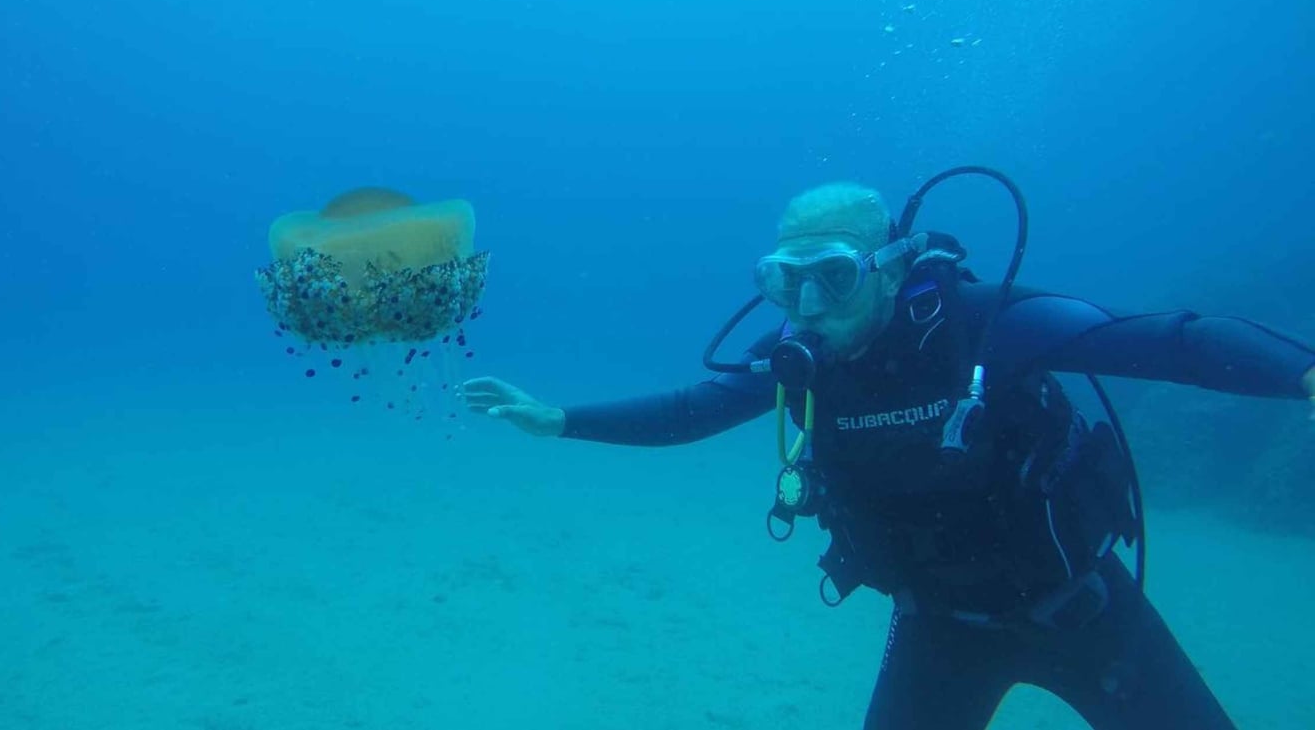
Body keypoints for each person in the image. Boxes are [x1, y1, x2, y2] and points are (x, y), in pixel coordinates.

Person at [461, 175, 1315, 730]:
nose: (804, 302)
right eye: (782, 278)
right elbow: (693, 410)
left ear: (891, 264)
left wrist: (1302, 374)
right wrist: (560, 418)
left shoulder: (987, 324)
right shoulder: (801, 359)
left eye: (830, 274)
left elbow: (1169, 342)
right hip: (938, 629)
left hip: (1086, 614)